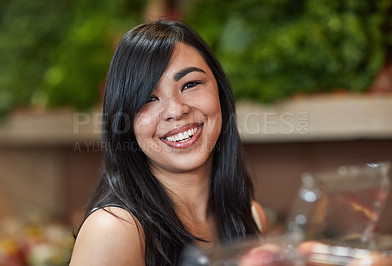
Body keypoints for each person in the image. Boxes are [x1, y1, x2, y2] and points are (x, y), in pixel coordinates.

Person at [70, 19, 268, 266]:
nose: (176, 110)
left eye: (191, 84)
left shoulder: (251, 218)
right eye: (148, 98)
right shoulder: (113, 229)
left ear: (220, 90)